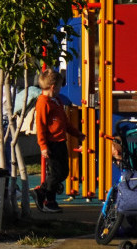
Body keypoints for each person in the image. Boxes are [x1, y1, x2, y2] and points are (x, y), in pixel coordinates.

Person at [33, 68, 84, 213]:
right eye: (60, 86)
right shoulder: (44, 102)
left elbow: (64, 122)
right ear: (53, 87)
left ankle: (46, 195)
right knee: (55, 173)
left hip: (60, 141)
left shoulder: (56, 100)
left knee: (63, 172)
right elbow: (41, 125)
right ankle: (47, 198)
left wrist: (76, 133)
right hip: (51, 143)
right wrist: (43, 146)